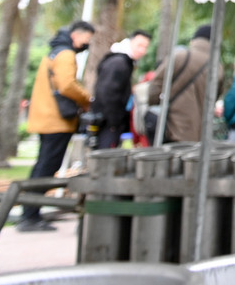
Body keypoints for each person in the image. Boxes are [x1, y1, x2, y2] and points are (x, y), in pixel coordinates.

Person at [19, 20, 95, 231]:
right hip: (57, 120)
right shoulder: (66, 54)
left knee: (42, 165)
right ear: (77, 36)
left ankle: (30, 212)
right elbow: (67, 84)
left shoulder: (53, 53)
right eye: (86, 39)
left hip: (45, 117)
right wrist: (88, 99)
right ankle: (30, 216)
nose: (86, 43)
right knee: (46, 167)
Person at [147, 24, 211, 143]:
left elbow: (155, 87)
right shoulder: (217, 66)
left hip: (170, 126)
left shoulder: (180, 56)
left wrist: (155, 102)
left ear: (195, 39)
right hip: (198, 131)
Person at [92, 30, 152, 149]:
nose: (142, 50)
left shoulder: (121, 61)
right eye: (139, 45)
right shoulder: (119, 63)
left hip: (108, 121)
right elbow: (107, 93)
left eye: (145, 47)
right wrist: (114, 122)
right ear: (130, 42)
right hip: (108, 122)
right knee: (105, 155)